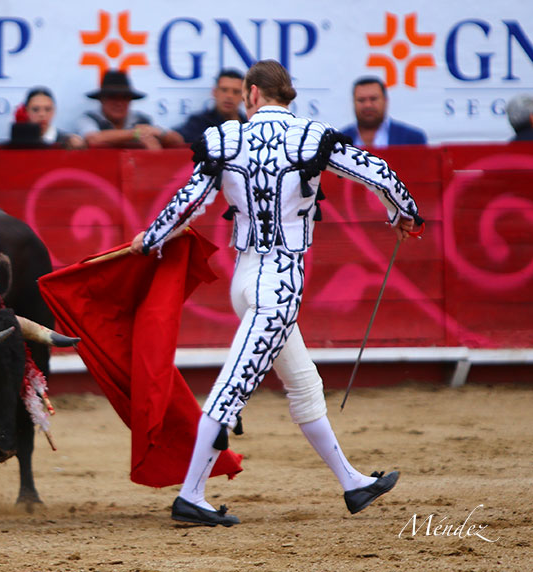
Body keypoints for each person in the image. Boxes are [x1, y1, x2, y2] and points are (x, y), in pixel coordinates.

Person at [131, 60, 423, 527]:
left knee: (304, 384)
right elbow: (378, 173)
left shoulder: (228, 137)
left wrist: (150, 239)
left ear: (251, 95)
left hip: (246, 278)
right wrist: (403, 213)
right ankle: (191, 495)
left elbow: (186, 200)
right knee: (231, 390)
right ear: (289, 95)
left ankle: (352, 483)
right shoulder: (312, 136)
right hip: (281, 285)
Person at [75, 70, 182, 149]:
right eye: (112, 97)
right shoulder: (89, 118)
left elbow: (177, 140)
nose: (119, 103)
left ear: (130, 101)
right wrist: (136, 134)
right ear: (102, 100)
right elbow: (93, 139)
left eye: (124, 98)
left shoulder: (142, 119)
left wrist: (158, 133)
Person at [340, 77, 426, 148]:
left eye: (373, 99)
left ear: (385, 100)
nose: (368, 105)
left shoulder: (412, 139)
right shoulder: (339, 141)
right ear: (353, 102)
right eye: (361, 100)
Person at [174, 69, 247, 144]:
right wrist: (162, 134)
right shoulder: (199, 123)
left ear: (243, 96)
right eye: (224, 90)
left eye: (236, 92)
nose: (229, 96)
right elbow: (177, 139)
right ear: (214, 92)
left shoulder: (249, 124)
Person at [17, 88, 85, 149]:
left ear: (54, 111)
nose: (42, 114)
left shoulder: (67, 142)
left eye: (47, 109)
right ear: (26, 111)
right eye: (35, 109)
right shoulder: (17, 142)